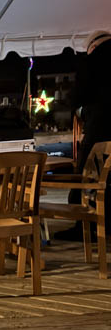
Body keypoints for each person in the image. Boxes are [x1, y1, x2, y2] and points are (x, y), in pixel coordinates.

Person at [54, 30, 111, 240]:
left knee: (87, 176)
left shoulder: (93, 61)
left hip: (100, 128)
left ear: (92, 47)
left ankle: (83, 226)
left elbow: (77, 97)